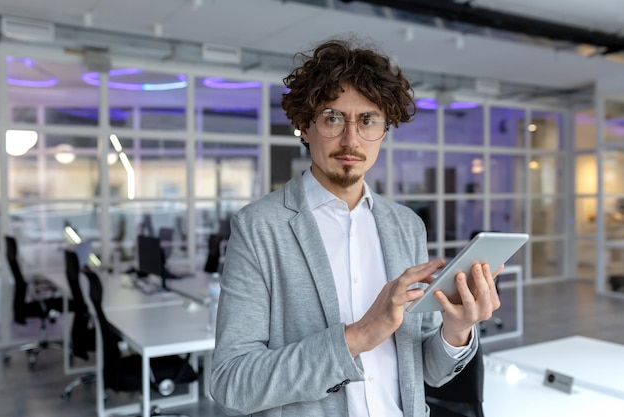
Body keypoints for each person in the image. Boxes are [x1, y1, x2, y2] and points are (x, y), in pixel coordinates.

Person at [210, 37, 501, 417]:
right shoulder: (260, 227)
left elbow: (428, 372)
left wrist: (456, 329)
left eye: (367, 120)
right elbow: (231, 382)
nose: (351, 139)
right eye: (333, 117)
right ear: (304, 125)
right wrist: (358, 336)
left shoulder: (406, 226)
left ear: (383, 129)